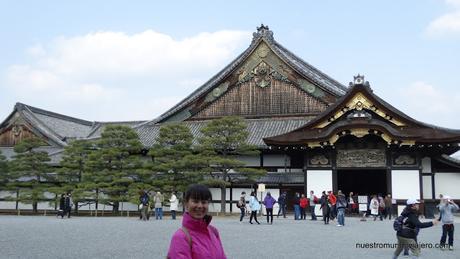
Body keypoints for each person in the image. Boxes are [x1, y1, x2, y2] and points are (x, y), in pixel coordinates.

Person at [167, 184, 226, 259]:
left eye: (204, 202)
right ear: (186, 204)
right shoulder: (181, 237)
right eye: (195, 201)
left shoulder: (213, 232)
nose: (200, 206)